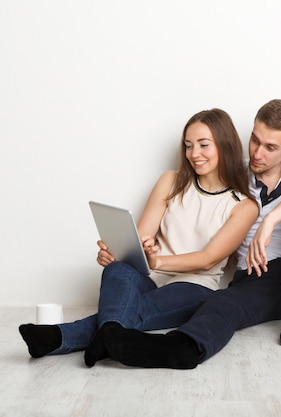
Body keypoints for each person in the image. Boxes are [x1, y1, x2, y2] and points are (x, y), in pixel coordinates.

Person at [103, 99, 281, 369]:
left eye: (271, 147)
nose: (258, 153)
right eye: (254, 140)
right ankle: (180, 347)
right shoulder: (236, 173)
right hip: (258, 276)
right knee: (222, 302)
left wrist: (271, 219)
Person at [19, 108, 259, 367]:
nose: (194, 154)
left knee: (137, 308)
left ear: (225, 146)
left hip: (195, 286)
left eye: (203, 145)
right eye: (188, 146)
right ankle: (102, 335)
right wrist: (117, 251)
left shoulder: (243, 206)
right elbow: (142, 236)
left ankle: (56, 336)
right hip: (150, 276)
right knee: (118, 269)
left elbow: (207, 259)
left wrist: (159, 262)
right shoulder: (171, 181)